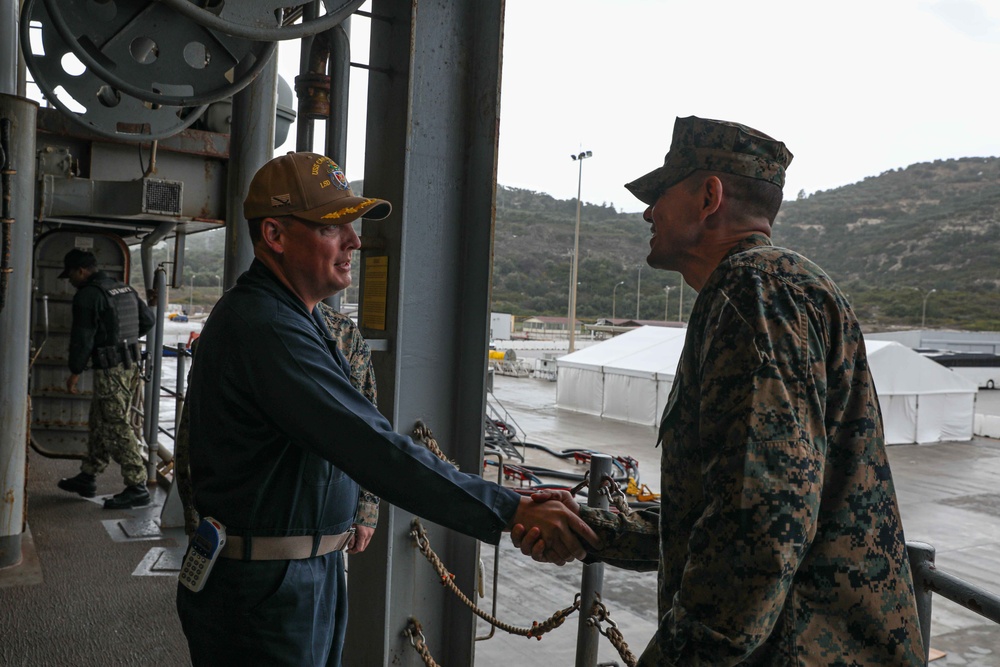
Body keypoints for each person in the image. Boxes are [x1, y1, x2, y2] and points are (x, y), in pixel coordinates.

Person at [513, 116, 925, 665]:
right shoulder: (768, 289)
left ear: (709, 196)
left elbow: (758, 531)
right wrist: (592, 528)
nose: (647, 212)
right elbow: (727, 508)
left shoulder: (754, 291)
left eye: (660, 194)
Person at [175, 152, 598, 667]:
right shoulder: (265, 328)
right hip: (266, 591)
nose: (355, 241)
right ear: (275, 236)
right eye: (334, 228)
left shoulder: (298, 321)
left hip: (305, 572)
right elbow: (372, 447)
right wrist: (511, 509)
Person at [56, 248, 156, 510]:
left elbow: (82, 339)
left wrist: (75, 372)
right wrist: (122, 341)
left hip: (111, 370)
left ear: (80, 271)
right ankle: (88, 476)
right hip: (130, 365)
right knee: (100, 420)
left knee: (115, 424)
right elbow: (148, 320)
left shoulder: (88, 296)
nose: (70, 281)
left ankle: (137, 486)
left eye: (70, 276)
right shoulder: (124, 289)